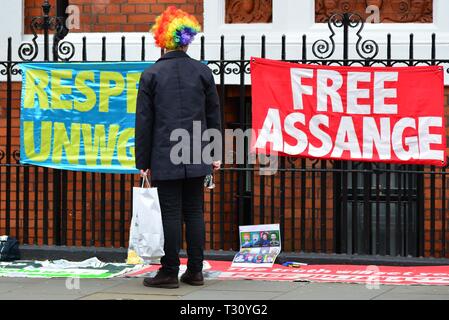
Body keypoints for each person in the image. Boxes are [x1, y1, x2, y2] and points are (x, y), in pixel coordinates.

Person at [135, 6, 222, 289]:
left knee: (171, 213)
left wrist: (142, 161)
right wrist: (215, 153)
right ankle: (195, 271)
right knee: (194, 211)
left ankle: (170, 272)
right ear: (187, 39)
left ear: (161, 39)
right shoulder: (202, 72)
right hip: (196, 151)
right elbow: (213, 115)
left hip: (164, 153)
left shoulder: (151, 75)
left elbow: (144, 123)